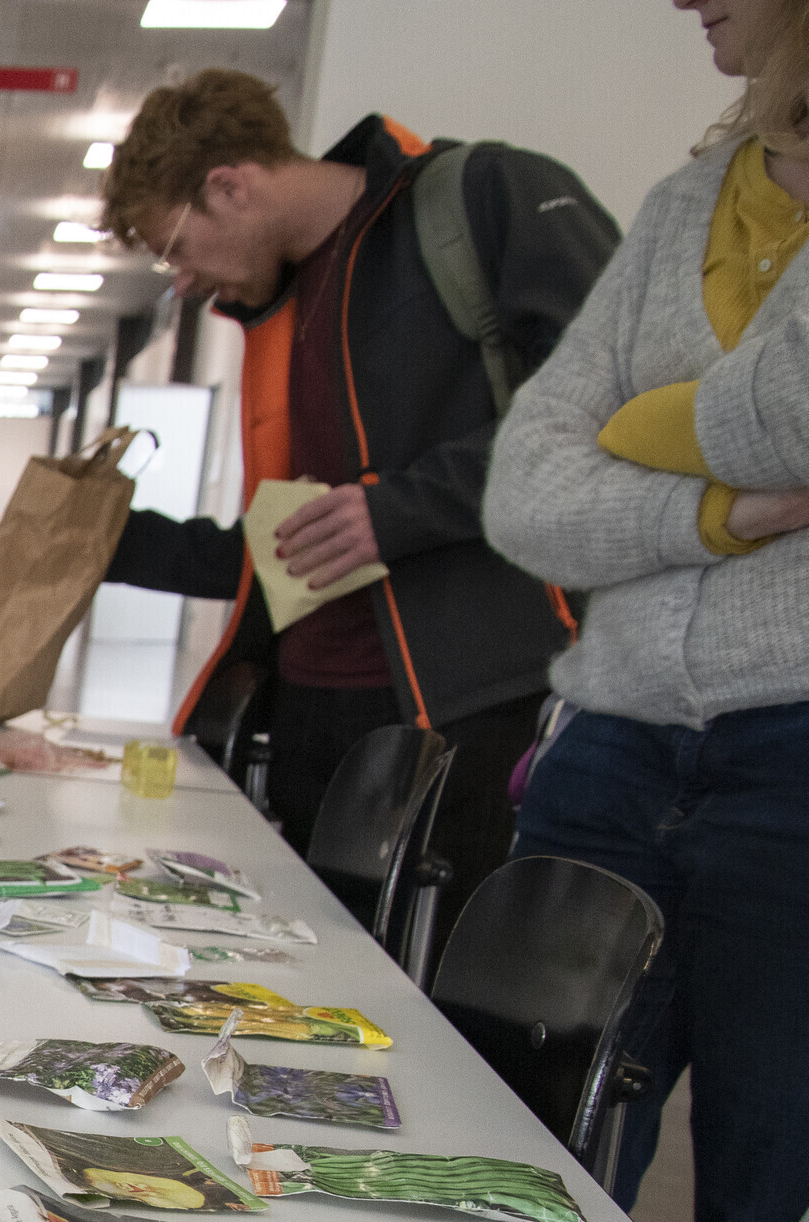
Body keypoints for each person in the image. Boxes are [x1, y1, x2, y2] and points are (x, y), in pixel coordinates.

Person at [92, 69, 619, 945]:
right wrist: (106, 539)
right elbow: (300, 542)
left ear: (229, 185)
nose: (180, 281)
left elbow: (610, 405)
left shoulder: (480, 199)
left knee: (433, 992)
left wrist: (398, 510)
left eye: (176, 246)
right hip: (311, 713)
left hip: (464, 711)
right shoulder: (286, 304)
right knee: (311, 980)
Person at [483, 0, 809, 1222]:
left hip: (794, 758)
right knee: (511, 1158)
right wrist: (722, 511)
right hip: (610, 743)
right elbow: (524, 493)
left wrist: (639, 427)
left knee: (767, 1197)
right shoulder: (689, 201)